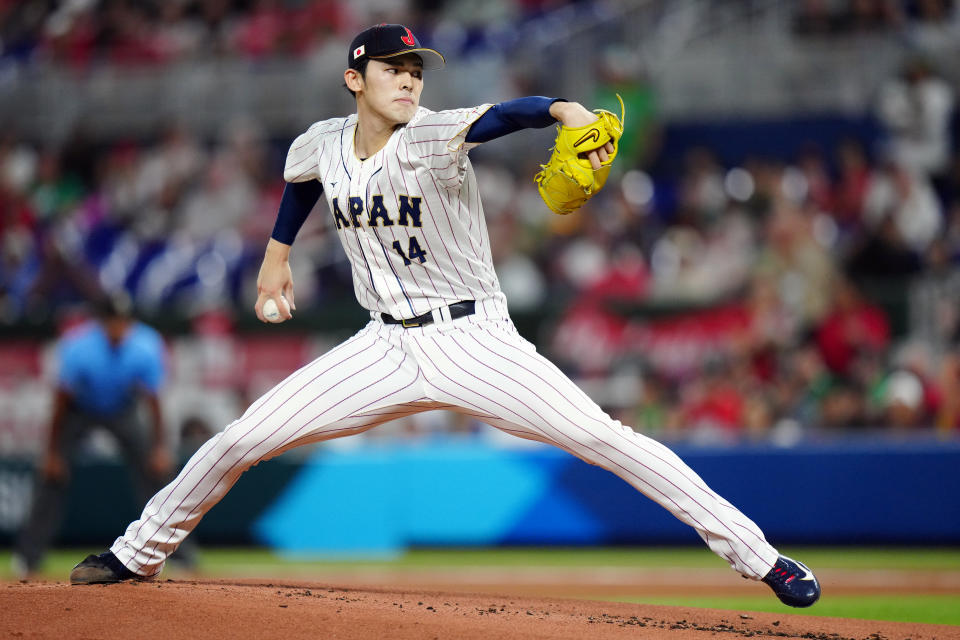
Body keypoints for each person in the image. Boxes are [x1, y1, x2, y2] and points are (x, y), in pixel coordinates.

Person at [69, 24, 820, 608]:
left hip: (474, 339)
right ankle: (135, 553)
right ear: (354, 79)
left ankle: (763, 559)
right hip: (380, 348)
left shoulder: (431, 131)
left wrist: (565, 110)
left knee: (604, 438)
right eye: (395, 68)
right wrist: (276, 254)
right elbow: (303, 180)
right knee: (239, 438)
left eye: (416, 69)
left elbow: (502, 116)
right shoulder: (322, 142)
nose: (409, 78)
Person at [12, 293, 173, 577]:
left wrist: (158, 448)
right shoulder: (80, 346)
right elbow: (60, 404)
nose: (117, 328)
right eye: (112, 322)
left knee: (153, 472)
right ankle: (28, 557)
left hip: (122, 408)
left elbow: (153, 402)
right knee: (51, 477)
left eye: (122, 321)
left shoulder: (145, 344)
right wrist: (52, 453)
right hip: (80, 409)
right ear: (101, 322)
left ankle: (178, 552)